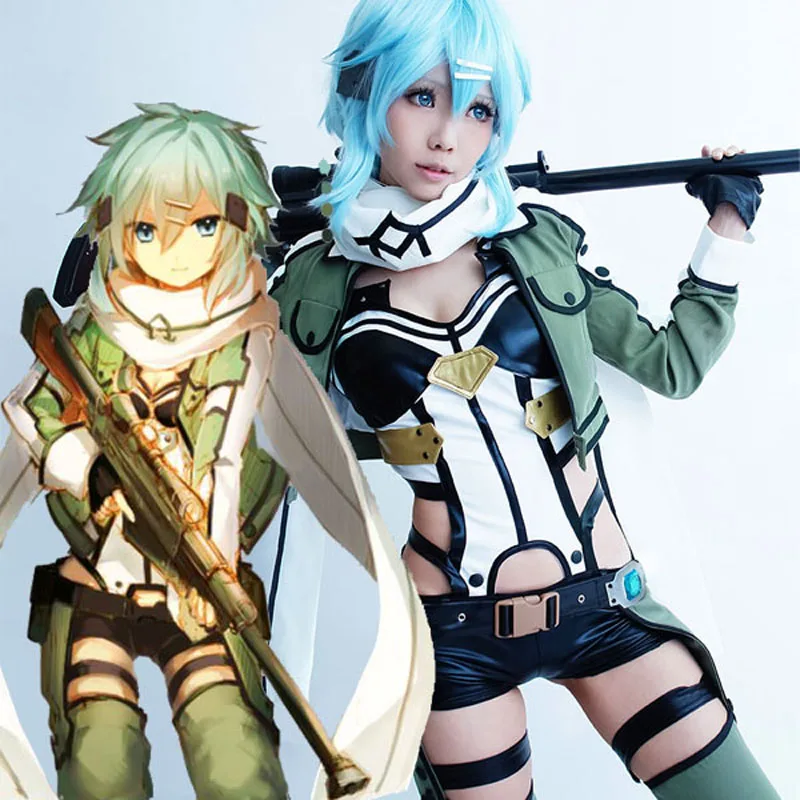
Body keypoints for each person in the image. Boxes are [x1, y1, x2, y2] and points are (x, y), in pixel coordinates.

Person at [267, 0, 780, 798]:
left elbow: (672, 364)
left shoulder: (537, 243)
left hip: (607, 606)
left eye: (478, 110)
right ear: (366, 93)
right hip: (454, 636)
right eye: (421, 96)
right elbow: (265, 452)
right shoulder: (311, 282)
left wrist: (729, 220)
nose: (448, 137)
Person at [0, 102, 433, 800]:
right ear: (113, 225)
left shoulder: (250, 337)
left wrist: (218, 565)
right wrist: (87, 464)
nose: (175, 250)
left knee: (236, 760)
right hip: (100, 581)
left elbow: (251, 456)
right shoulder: (93, 332)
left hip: (205, 585)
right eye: (147, 228)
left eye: (203, 225)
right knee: (99, 759)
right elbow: (32, 412)